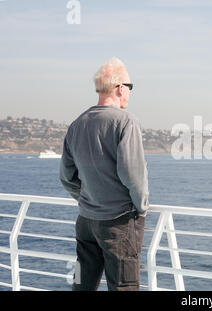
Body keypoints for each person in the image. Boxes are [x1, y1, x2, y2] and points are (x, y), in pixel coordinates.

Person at [59, 57, 149, 291]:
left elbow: (67, 177)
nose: (130, 93)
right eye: (130, 87)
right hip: (118, 221)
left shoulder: (77, 124)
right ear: (120, 88)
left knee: (82, 284)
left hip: (86, 221)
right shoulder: (126, 121)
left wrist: (88, 199)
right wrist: (141, 207)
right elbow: (133, 174)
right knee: (123, 286)